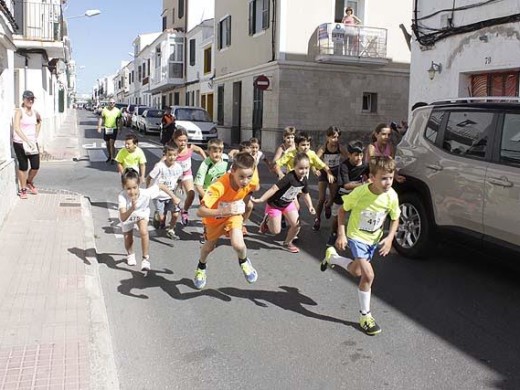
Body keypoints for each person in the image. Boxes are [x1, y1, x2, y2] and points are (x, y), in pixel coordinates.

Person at [321, 156, 400, 335]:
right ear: (372, 178)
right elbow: (342, 211)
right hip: (356, 237)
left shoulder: (392, 196)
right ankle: (365, 316)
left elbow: (395, 218)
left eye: (391, 177)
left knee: (356, 271)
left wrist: (389, 239)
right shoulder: (360, 193)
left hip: (373, 239)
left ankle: (332, 257)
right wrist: (341, 234)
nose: (388, 182)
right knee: (368, 275)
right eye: (384, 178)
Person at [193, 152, 259, 289]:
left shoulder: (251, 181)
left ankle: (244, 262)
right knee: (208, 248)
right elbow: (200, 211)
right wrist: (222, 211)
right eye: (241, 177)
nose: (245, 181)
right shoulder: (219, 186)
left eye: (249, 177)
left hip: (233, 216)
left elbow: (255, 186)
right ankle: (201, 267)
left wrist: (239, 207)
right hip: (214, 219)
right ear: (232, 171)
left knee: (238, 245)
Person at [118, 168, 181, 272]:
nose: (132, 191)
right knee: (128, 238)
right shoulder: (122, 197)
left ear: (139, 184)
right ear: (124, 187)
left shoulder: (145, 193)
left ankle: (145, 259)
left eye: (135, 187)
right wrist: (132, 208)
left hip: (141, 213)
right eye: (128, 188)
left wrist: (173, 197)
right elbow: (123, 217)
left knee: (144, 231)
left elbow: (160, 186)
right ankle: (130, 254)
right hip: (128, 215)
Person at [253, 152, 316, 253]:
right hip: (275, 205)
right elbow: (274, 188)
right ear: (294, 166)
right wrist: (261, 199)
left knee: (296, 225)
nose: (303, 171)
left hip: (287, 204)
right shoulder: (289, 178)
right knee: (275, 231)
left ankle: (288, 243)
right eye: (300, 168)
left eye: (306, 168)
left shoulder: (304, 179)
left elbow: (305, 193)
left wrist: (310, 206)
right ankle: (267, 220)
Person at [328, 140, 369, 245]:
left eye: (361, 155)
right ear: (349, 155)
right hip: (342, 195)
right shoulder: (343, 166)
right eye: (356, 155)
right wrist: (363, 184)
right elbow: (346, 185)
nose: (359, 158)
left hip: (356, 196)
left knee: (356, 217)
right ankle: (333, 234)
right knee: (337, 217)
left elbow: (372, 178)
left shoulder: (365, 166)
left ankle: (353, 238)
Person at [314, 126, 348, 231]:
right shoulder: (323, 148)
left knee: (333, 197)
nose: (335, 140)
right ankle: (317, 218)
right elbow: (315, 159)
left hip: (335, 173)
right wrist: (316, 169)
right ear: (327, 137)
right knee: (321, 198)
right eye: (333, 137)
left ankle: (328, 206)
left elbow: (347, 157)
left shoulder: (340, 147)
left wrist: (345, 169)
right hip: (325, 173)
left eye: (337, 137)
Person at [146, 143, 183, 239]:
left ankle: (171, 230)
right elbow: (149, 177)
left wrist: (180, 187)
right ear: (165, 155)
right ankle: (157, 216)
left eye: (174, 155)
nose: (172, 157)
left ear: (177, 155)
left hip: (171, 195)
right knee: (162, 218)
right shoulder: (160, 166)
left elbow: (179, 179)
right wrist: (148, 188)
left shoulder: (178, 167)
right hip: (159, 195)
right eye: (169, 155)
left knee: (175, 214)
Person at [172, 127, 207, 226]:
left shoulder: (189, 147)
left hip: (186, 174)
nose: (182, 143)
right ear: (175, 140)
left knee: (191, 194)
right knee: (171, 198)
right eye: (180, 141)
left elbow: (200, 150)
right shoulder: (172, 150)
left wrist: (205, 160)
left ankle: (185, 211)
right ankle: (163, 216)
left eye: (185, 140)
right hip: (174, 176)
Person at [12, 90, 42, 199]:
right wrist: (26, 139)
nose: (30, 101)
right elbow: (16, 127)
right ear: (23, 100)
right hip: (19, 143)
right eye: (28, 99)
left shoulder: (35, 112)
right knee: (23, 166)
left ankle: (29, 181)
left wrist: (35, 136)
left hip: (32, 143)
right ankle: (23, 189)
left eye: (32, 99)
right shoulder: (19, 112)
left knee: (35, 166)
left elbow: (39, 122)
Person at [97, 98, 122, 163]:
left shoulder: (117, 111)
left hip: (114, 128)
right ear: (108, 103)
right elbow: (101, 118)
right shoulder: (104, 110)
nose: (112, 104)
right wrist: (99, 127)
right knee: (107, 144)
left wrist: (120, 128)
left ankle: (113, 158)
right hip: (106, 128)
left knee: (111, 143)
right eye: (110, 103)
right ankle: (110, 155)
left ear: (115, 104)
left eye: (113, 103)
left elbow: (120, 120)